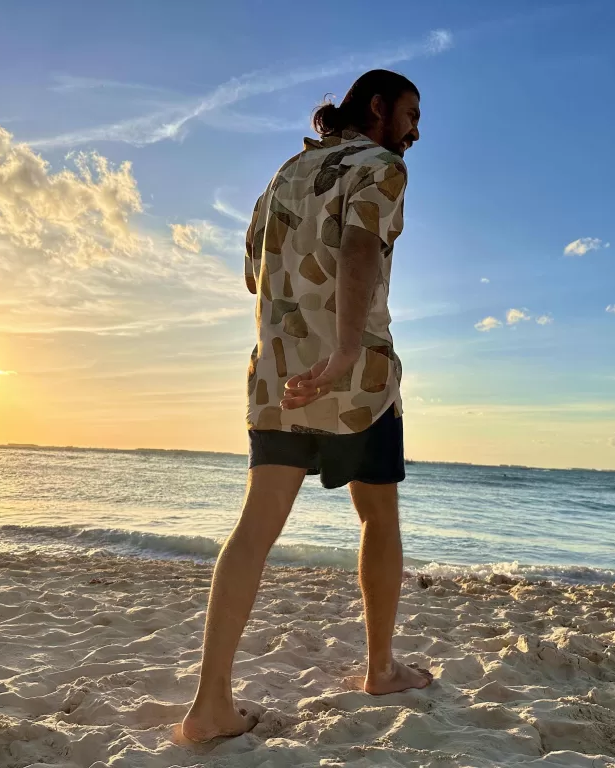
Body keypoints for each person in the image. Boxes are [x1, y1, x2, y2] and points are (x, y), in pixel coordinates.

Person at [181, 69, 430, 743]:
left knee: (254, 531)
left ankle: (209, 708)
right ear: (377, 108)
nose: (415, 129)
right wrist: (346, 351)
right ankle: (379, 668)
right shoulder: (381, 167)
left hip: (278, 379)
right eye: (409, 113)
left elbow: (251, 274)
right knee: (378, 518)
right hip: (358, 381)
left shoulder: (284, 175)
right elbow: (357, 246)